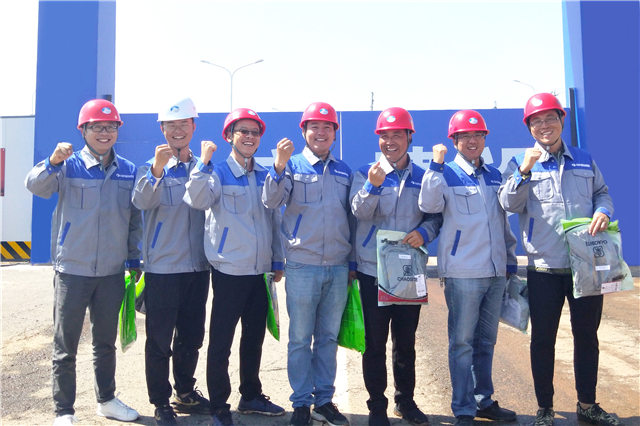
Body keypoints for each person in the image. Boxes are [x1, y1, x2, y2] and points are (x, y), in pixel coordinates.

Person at [498, 93, 622, 426]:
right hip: (544, 268)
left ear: (561, 120)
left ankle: (587, 404)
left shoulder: (583, 159)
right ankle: (544, 408)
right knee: (543, 340)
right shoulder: (520, 163)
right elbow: (508, 203)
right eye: (536, 121)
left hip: (585, 267)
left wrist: (603, 210)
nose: (544, 125)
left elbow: (602, 193)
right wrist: (524, 171)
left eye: (550, 118)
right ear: (529, 127)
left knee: (587, 337)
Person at [25, 99, 141, 426]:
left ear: (117, 130)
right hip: (72, 271)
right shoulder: (67, 165)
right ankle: (64, 411)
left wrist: (134, 257)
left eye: (110, 127)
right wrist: (51, 162)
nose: (104, 132)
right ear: (83, 131)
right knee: (66, 346)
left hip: (111, 272)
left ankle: (106, 401)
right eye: (97, 127)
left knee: (105, 343)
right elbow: (34, 185)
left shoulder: (128, 170)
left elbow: (134, 219)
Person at [183, 108, 285, 426]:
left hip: (260, 271)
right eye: (243, 131)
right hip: (229, 271)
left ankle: (250, 395)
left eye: (255, 132)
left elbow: (273, 217)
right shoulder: (216, 172)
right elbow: (197, 200)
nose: (249, 137)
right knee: (221, 342)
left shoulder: (265, 174)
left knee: (254, 338)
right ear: (229, 136)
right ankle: (218, 406)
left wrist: (277, 259)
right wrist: (202, 163)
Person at [418, 110, 518, 426]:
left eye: (478, 135)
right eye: (465, 136)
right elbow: (428, 205)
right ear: (454, 140)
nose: (472, 140)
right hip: (463, 273)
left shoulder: (494, 175)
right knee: (462, 343)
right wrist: (435, 166)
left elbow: (502, 222)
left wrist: (510, 258)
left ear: (485, 139)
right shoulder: (444, 173)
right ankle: (463, 408)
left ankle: (483, 400)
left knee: (486, 342)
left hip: (495, 271)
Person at [262, 102, 354, 426]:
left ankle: (324, 401)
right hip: (302, 265)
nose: (321, 132)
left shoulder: (344, 171)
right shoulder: (291, 165)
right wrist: (278, 165)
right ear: (304, 131)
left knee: (328, 338)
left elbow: (351, 219)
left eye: (328, 127)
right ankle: (301, 402)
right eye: (314, 126)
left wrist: (351, 263)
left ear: (335, 133)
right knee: (300, 338)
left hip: (338, 267)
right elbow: (271, 201)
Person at [350, 107, 441, 426]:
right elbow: (359, 213)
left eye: (397, 135)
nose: (390, 141)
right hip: (373, 271)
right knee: (374, 343)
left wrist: (424, 233)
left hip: (408, 272)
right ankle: (377, 405)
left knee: (405, 342)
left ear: (409, 137)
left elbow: (434, 216)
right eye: (384, 135)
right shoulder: (365, 173)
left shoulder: (424, 177)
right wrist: (372, 186)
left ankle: (406, 401)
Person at [132, 98, 210, 425]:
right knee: (160, 340)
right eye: (171, 125)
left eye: (183, 124)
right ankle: (161, 401)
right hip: (162, 269)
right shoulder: (149, 168)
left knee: (192, 336)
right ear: (162, 129)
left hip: (198, 268)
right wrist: (156, 170)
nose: (178, 131)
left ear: (193, 127)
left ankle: (185, 391)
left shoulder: (205, 167)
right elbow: (141, 201)